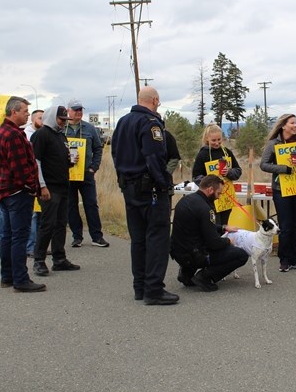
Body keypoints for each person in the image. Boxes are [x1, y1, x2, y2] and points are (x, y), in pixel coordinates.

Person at [111, 86, 178, 305]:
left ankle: (140, 286)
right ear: (155, 100)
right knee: (157, 239)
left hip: (129, 188)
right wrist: (164, 183)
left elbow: (115, 154)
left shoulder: (122, 123)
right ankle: (154, 289)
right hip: (150, 190)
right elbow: (155, 158)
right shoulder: (150, 123)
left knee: (138, 239)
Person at [0, 96, 45, 292]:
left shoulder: (1, 131)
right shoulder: (13, 135)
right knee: (19, 237)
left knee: (7, 235)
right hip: (17, 192)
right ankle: (20, 279)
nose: (27, 115)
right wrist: (33, 188)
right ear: (13, 112)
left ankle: (7, 276)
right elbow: (21, 168)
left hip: (4, 192)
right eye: (24, 112)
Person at [170, 174, 248, 291]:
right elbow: (214, 243)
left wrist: (223, 227)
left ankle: (186, 273)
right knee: (241, 255)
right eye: (218, 193)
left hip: (178, 253)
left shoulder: (185, 200)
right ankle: (205, 277)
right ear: (210, 190)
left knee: (194, 242)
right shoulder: (206, 209)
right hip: (195, 255)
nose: (219, 197)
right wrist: (228, 241)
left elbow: (198, 226)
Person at [260, 113, 296, 272]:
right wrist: (284, 169)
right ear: (284, 125)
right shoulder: (273, 144)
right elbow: (264, 165)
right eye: (292, 123)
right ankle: (284, 260)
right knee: (285, 225)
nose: (295, 126)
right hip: (281, 190)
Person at [30, 105, 80, 277]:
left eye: (65, 120)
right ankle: (39, 260)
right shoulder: (41, 135)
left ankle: (59, 259)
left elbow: (60, 160)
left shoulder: (61, 136)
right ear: (52, 117)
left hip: (63, 185)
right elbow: (36, 163)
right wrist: (42, 186)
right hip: (49, 187)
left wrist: (71, 160)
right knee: (47, 224)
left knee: (60, 224)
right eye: (60, 119)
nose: (63, 123)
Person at [64, 99, 109, 248]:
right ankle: (77, 236)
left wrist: (94, 167)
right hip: (68, 174)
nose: (78, 112)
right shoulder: (62, 129)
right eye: (75, 110)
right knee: (71, 205)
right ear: (68, 110)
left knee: (91, 204)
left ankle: (97, 236)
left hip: (86, 173)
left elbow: (98, 148)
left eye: (80, 110)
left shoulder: (90, 129)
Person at [191, 124, 242, 226]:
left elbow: (238, 171)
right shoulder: (202, 154)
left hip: (227, 198)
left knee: (226, 226)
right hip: (210, 199)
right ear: (207, 139)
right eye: (213, 140)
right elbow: (196, 176)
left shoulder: (227, 152)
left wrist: (229, 172)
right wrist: (209, 183)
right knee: (213, 227)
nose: (217, 143)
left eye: (219, 139)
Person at [24, 109, 43, 257]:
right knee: (33, 216)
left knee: (41, 215)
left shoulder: (45, 134)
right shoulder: (27, 134)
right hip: (31, 180)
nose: (42, 121)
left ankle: (40, 246)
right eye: (40, 118)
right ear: (32, 119)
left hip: (43, 179)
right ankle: (30, 246)